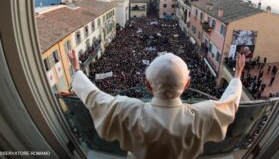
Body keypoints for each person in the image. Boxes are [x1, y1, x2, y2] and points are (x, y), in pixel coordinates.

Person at [68, 50, 245, 159]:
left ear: (147, 85)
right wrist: (236, 78)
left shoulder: (127, 111)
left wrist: (77, 71)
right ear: (187, 85)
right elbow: (229, 104)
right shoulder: (204, 114)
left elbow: (94, 97)